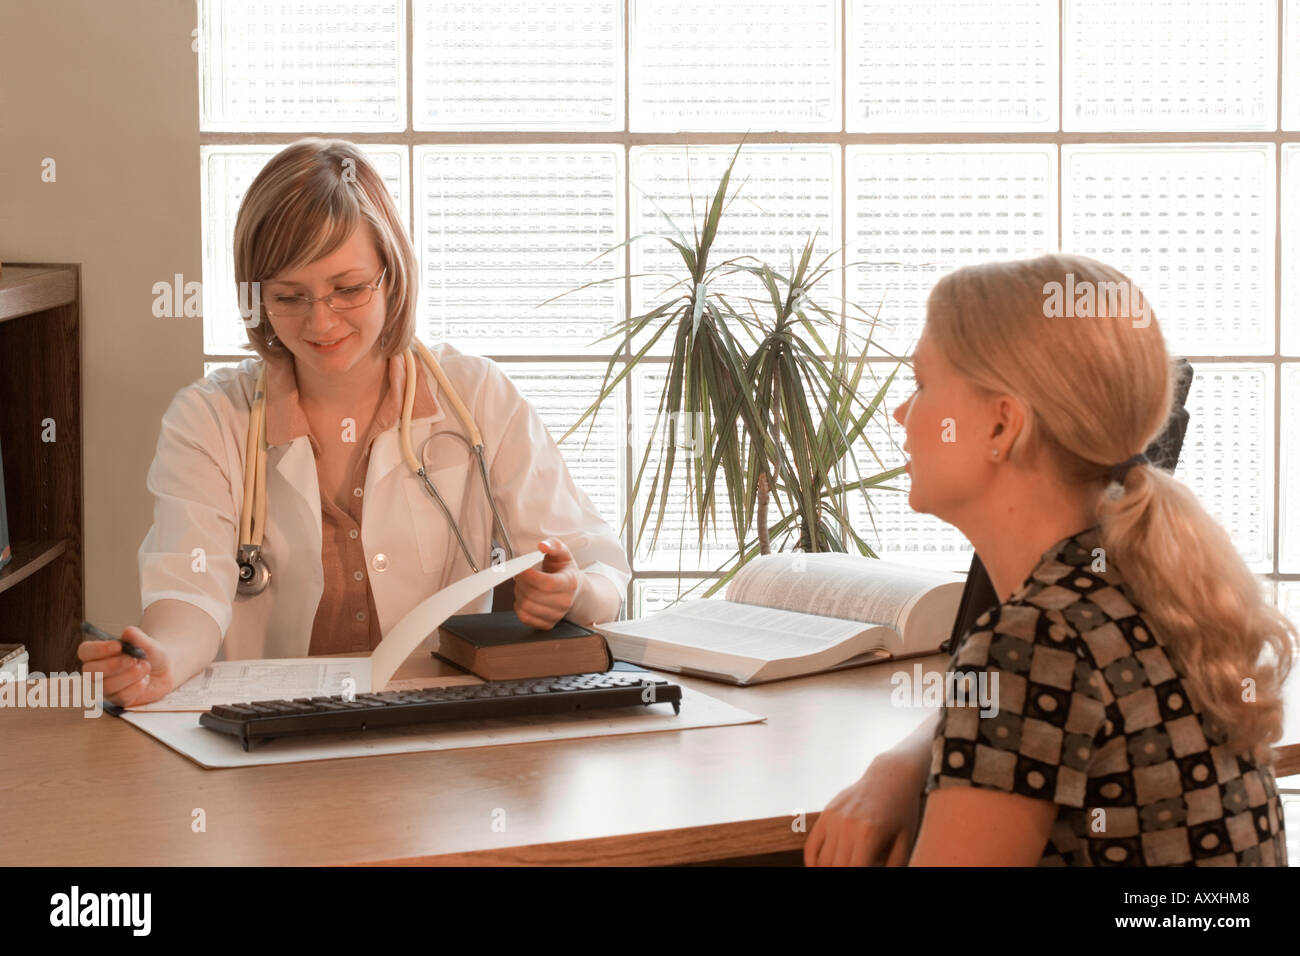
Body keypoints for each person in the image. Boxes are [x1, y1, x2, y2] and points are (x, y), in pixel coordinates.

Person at [79, 138, 630, 707]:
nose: (321, 321)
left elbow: (598, 569)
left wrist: (570, 591)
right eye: (289, 296)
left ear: (390, 273)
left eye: (347, 289)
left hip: (438, 737)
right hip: (275, 738)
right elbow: (189, 593)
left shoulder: (476, 396)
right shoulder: (210, 418)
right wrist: (161, 659)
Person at [806, 253, 1295, 866]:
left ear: (1001, 426)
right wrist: (905, 762)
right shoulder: (1153, 589)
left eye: (923, 384)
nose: (901, 414)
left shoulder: (1034, 640)